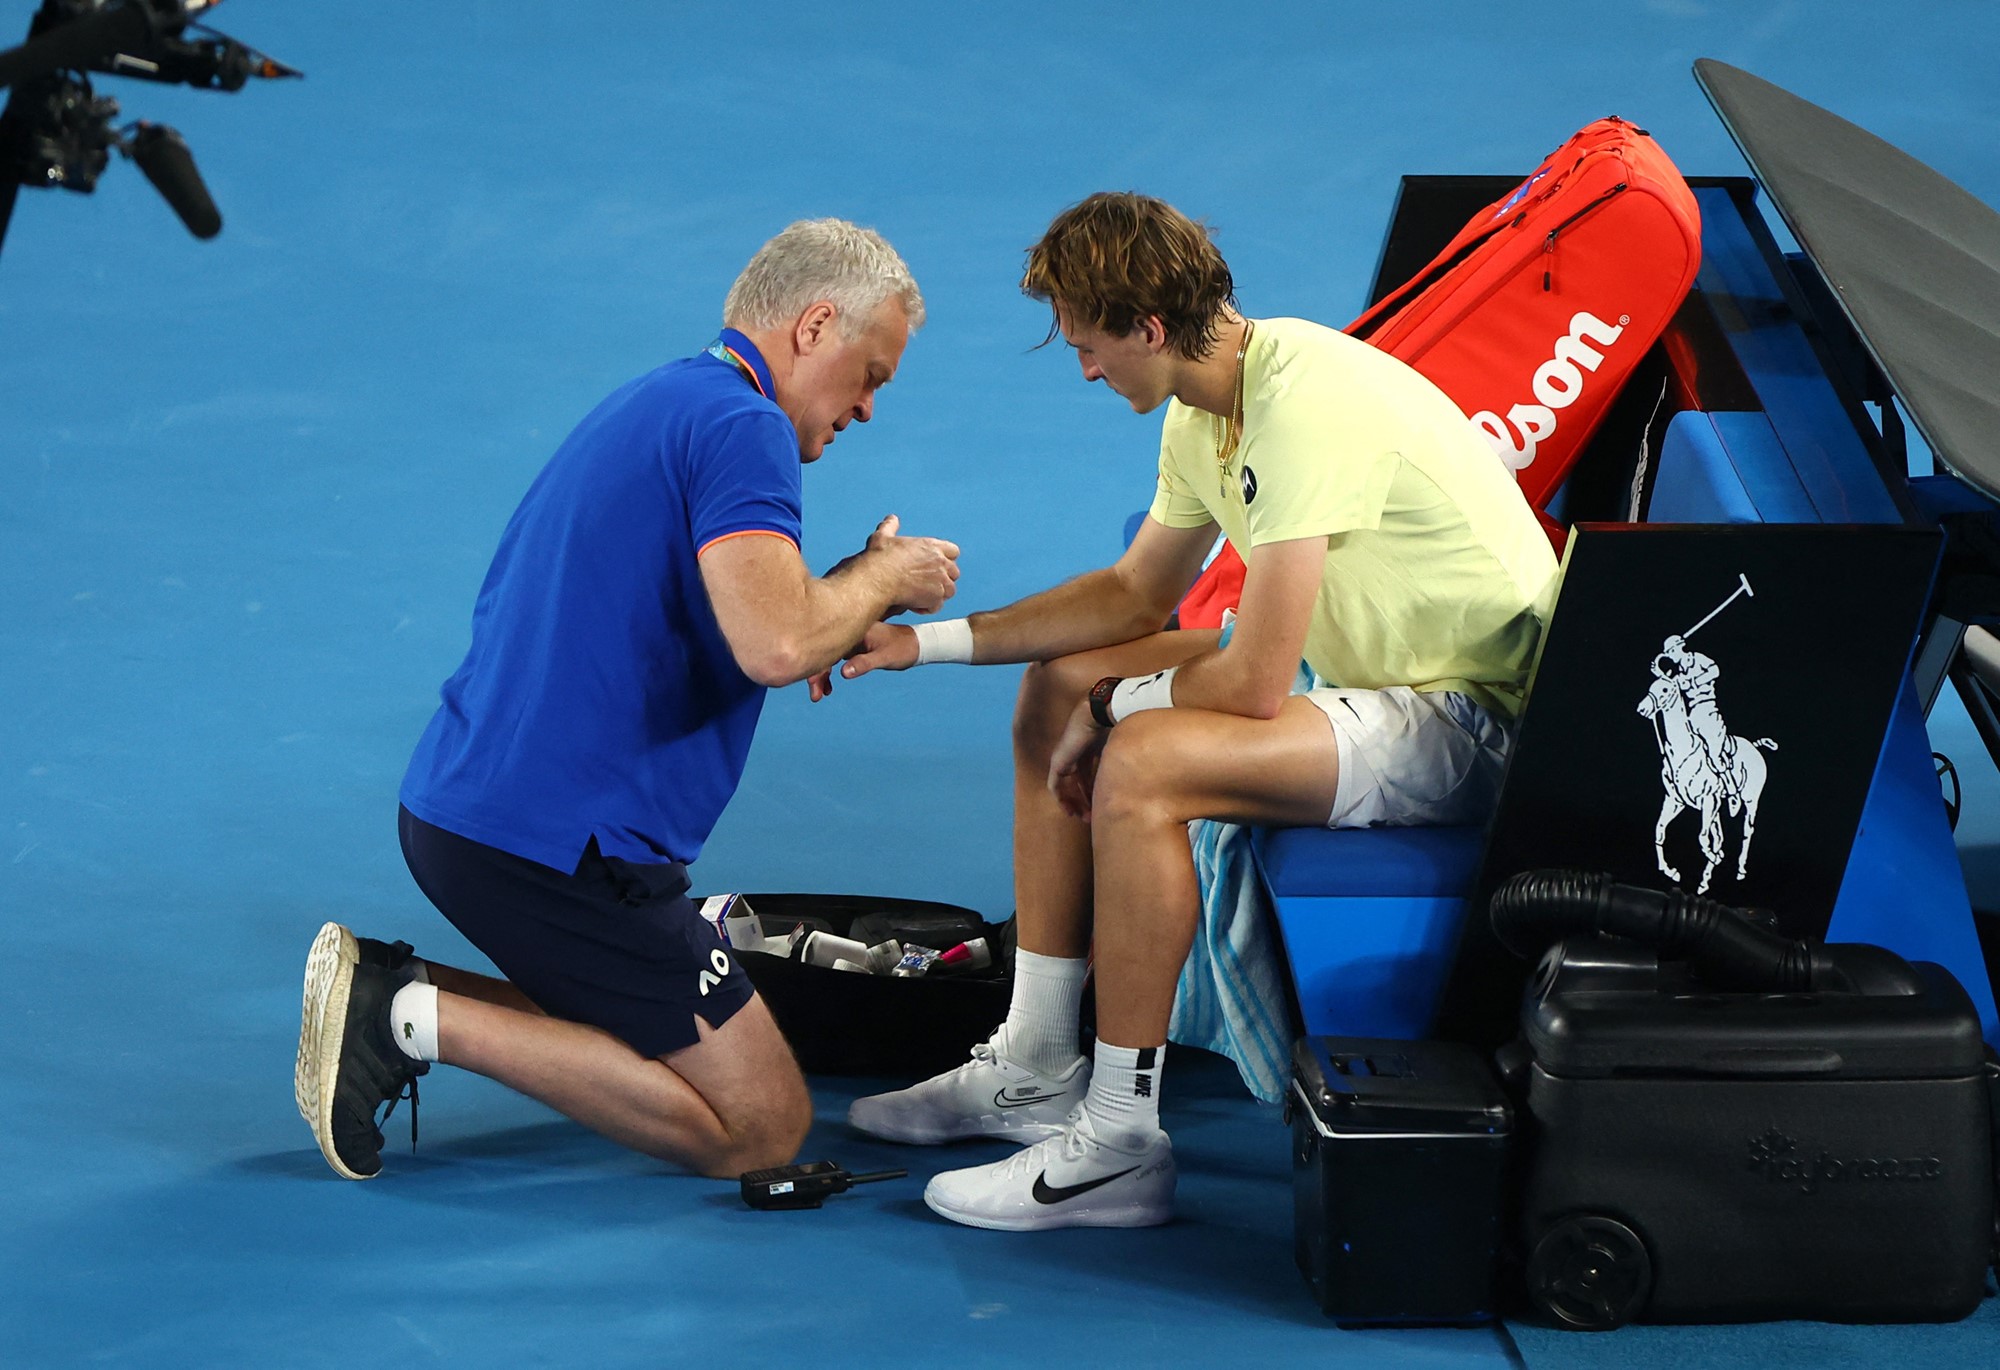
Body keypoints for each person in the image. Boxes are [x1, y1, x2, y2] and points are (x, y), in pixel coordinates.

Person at [840, 192, 1561, 1231]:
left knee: (1141, 761)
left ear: (1147, 328)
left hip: (1476, 716)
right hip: (1361, 670)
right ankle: (1037, 1058)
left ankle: (1119, 1142)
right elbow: (1133, 593)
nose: (1086, 370)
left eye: (1092, 347)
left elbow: (1253, 682)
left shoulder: (1302, 403)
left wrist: (1117, 702)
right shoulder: (1204, 406)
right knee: (1051, 685)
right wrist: (925, 644)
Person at [295, 219, 960, 1182]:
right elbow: (775, 642)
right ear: (816, 324)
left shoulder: (672, 398)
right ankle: (403, 1020)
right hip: (561, 852)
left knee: (656, 1039)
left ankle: (394, 988)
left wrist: (836, 600)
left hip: (471, 809)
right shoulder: (747, 428)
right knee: (762, 1125)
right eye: (873, 375)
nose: (866, 407)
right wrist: (886, 578)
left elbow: (729, 614)